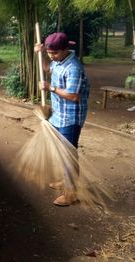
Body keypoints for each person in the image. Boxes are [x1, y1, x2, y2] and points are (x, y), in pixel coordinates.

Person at [35, 32, 90, 206]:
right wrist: (41, 54)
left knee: (69, 154)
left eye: (55, 53)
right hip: (58, 114)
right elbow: (47, 69)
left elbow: (73, 96)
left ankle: (71, 192)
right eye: (50, 53)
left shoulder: (74, 67)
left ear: (66, 49)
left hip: (71, 118)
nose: (52, 56)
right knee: (61, 151)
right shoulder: (59, 61)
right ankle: (65, 180)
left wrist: (50, 87)